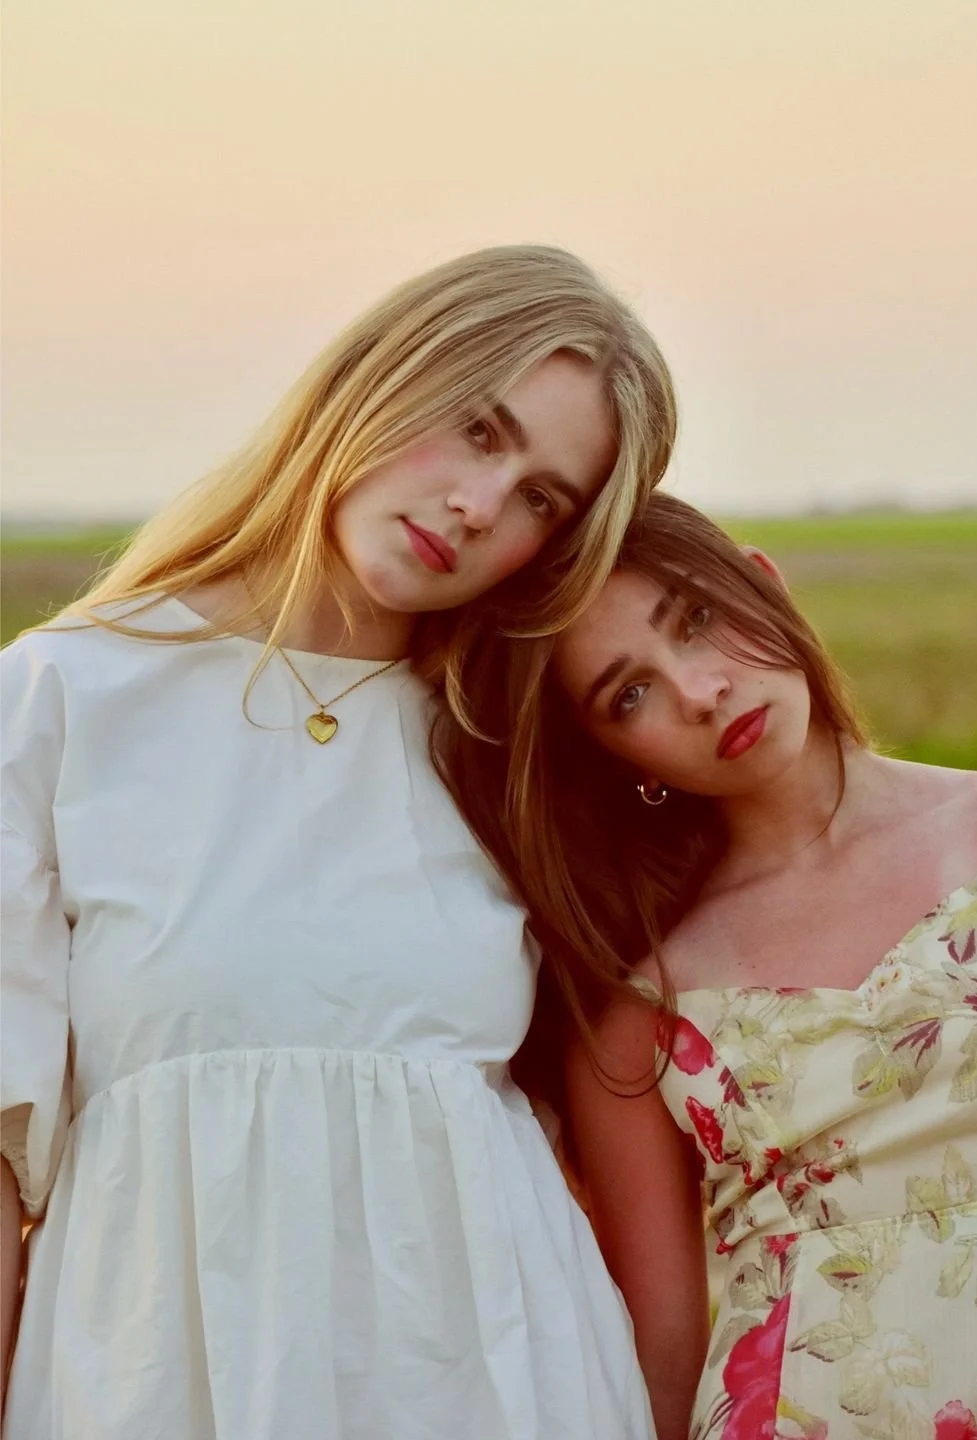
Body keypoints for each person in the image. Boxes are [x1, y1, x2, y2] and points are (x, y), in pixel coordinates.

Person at [0, 244, 678, 1439]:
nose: (482, 506)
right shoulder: (65, 695)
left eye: (541, 499)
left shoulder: (516, 746)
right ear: (379, 375)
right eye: (477, 430)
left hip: (506, 1387)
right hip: (160, 1381)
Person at [433, 492, 977, 1440]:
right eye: (631, 693)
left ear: (763, 584)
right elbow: (661, 1358)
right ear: (613, 754)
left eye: (695, 617)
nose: (699, 690)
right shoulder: (638, 995)